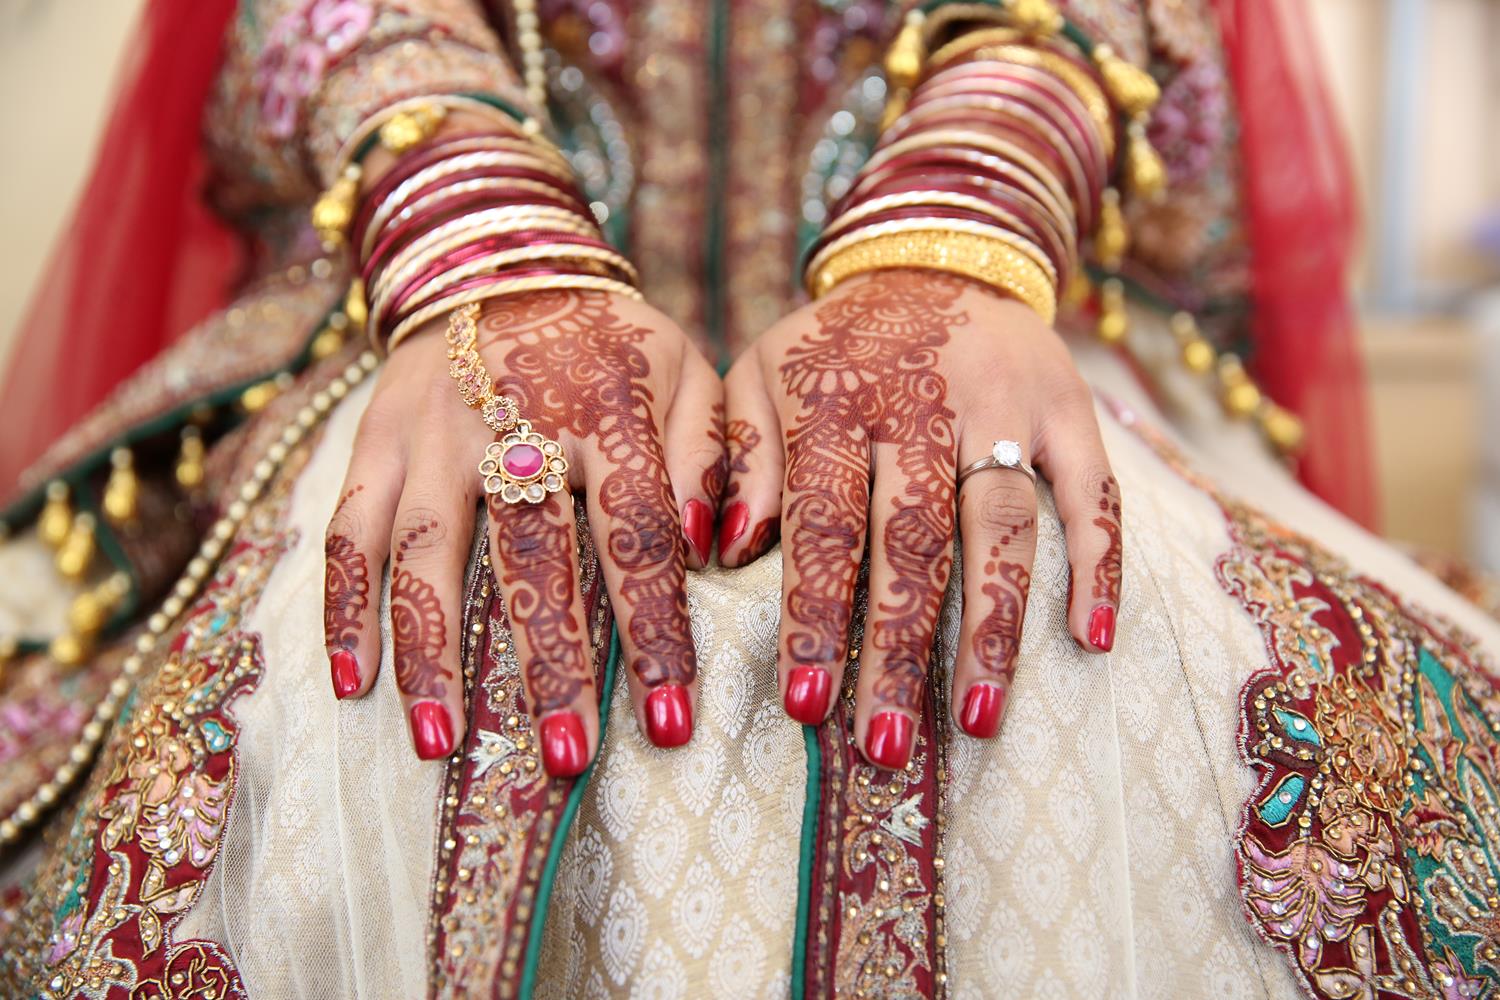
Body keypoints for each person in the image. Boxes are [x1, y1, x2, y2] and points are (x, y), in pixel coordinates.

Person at [1, 0, 1497, 996]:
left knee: (1069, 626)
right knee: (402, 664)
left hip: (998, 296)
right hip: (440, 308)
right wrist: (484, 253)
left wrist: (955, 230)